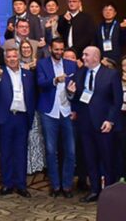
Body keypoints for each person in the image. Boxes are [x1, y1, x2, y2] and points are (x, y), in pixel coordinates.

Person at [67, 46, 122, 202]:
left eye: (86, 55)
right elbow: (76, 97)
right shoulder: (80, 73)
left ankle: (110, 193)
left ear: (96, 57)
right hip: (85, 124)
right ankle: (95, 190)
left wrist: (110, 120)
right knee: (90, 158)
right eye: (83, 54)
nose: (82, 57)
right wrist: (71, 93)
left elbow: (116, 101)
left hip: (104, 125)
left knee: (107, 159)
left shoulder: (111, 74)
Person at [0, 48, 35, 197]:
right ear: (5, 59)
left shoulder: (28, 74)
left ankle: (21, 185)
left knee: (21, 152)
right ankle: (7, 184)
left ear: (18, 57)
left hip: (22, 117)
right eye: (9, 57)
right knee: (6, 152)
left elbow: (33, 95)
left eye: (14, 56)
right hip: (6, 117)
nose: (11, 59)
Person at [36, 37, 76, 197]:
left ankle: (67, 186)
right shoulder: (42, 63)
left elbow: (76, 88)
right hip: (49, 112)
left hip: (67, 110)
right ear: (51, 49)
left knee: (71, 151)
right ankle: (55, 185)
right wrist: (54, 80)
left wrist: (72, 93)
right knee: (51, 150)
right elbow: (40, 82)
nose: (59, 52)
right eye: (56, 49)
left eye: (61, 49)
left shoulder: (71, 65)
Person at [18, 39, 45, 175]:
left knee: (35, 135)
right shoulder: (16, 64)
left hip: (36, 103)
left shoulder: (39, 64)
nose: (26, 50)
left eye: (28, 47)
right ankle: (26, 166)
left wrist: (35, 68)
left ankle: (37, 165)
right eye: (23, 47)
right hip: (22, 104)